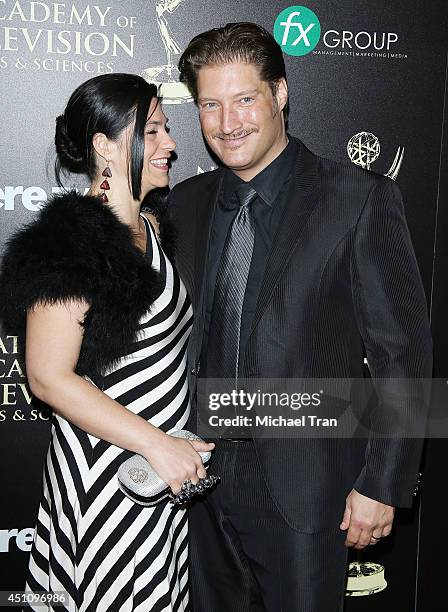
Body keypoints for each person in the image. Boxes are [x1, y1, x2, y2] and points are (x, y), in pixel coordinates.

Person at [168, 23, 433, 612]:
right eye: (211, 104)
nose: (227, 122)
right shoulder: (184, 205)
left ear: (280, 94)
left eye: (244, 99)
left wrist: (382, 482)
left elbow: (403, 354)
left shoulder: (357, 197)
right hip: (198, 489)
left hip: (309, 488)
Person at [0, 73, 215, 611]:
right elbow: (48, 377)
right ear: (104, 144)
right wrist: (158, 444)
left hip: (154, 477)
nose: (170, 144)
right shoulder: (70, 240)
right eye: (156, 129)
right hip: (105, 482)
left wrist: (169, 446)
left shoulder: (151, 225)